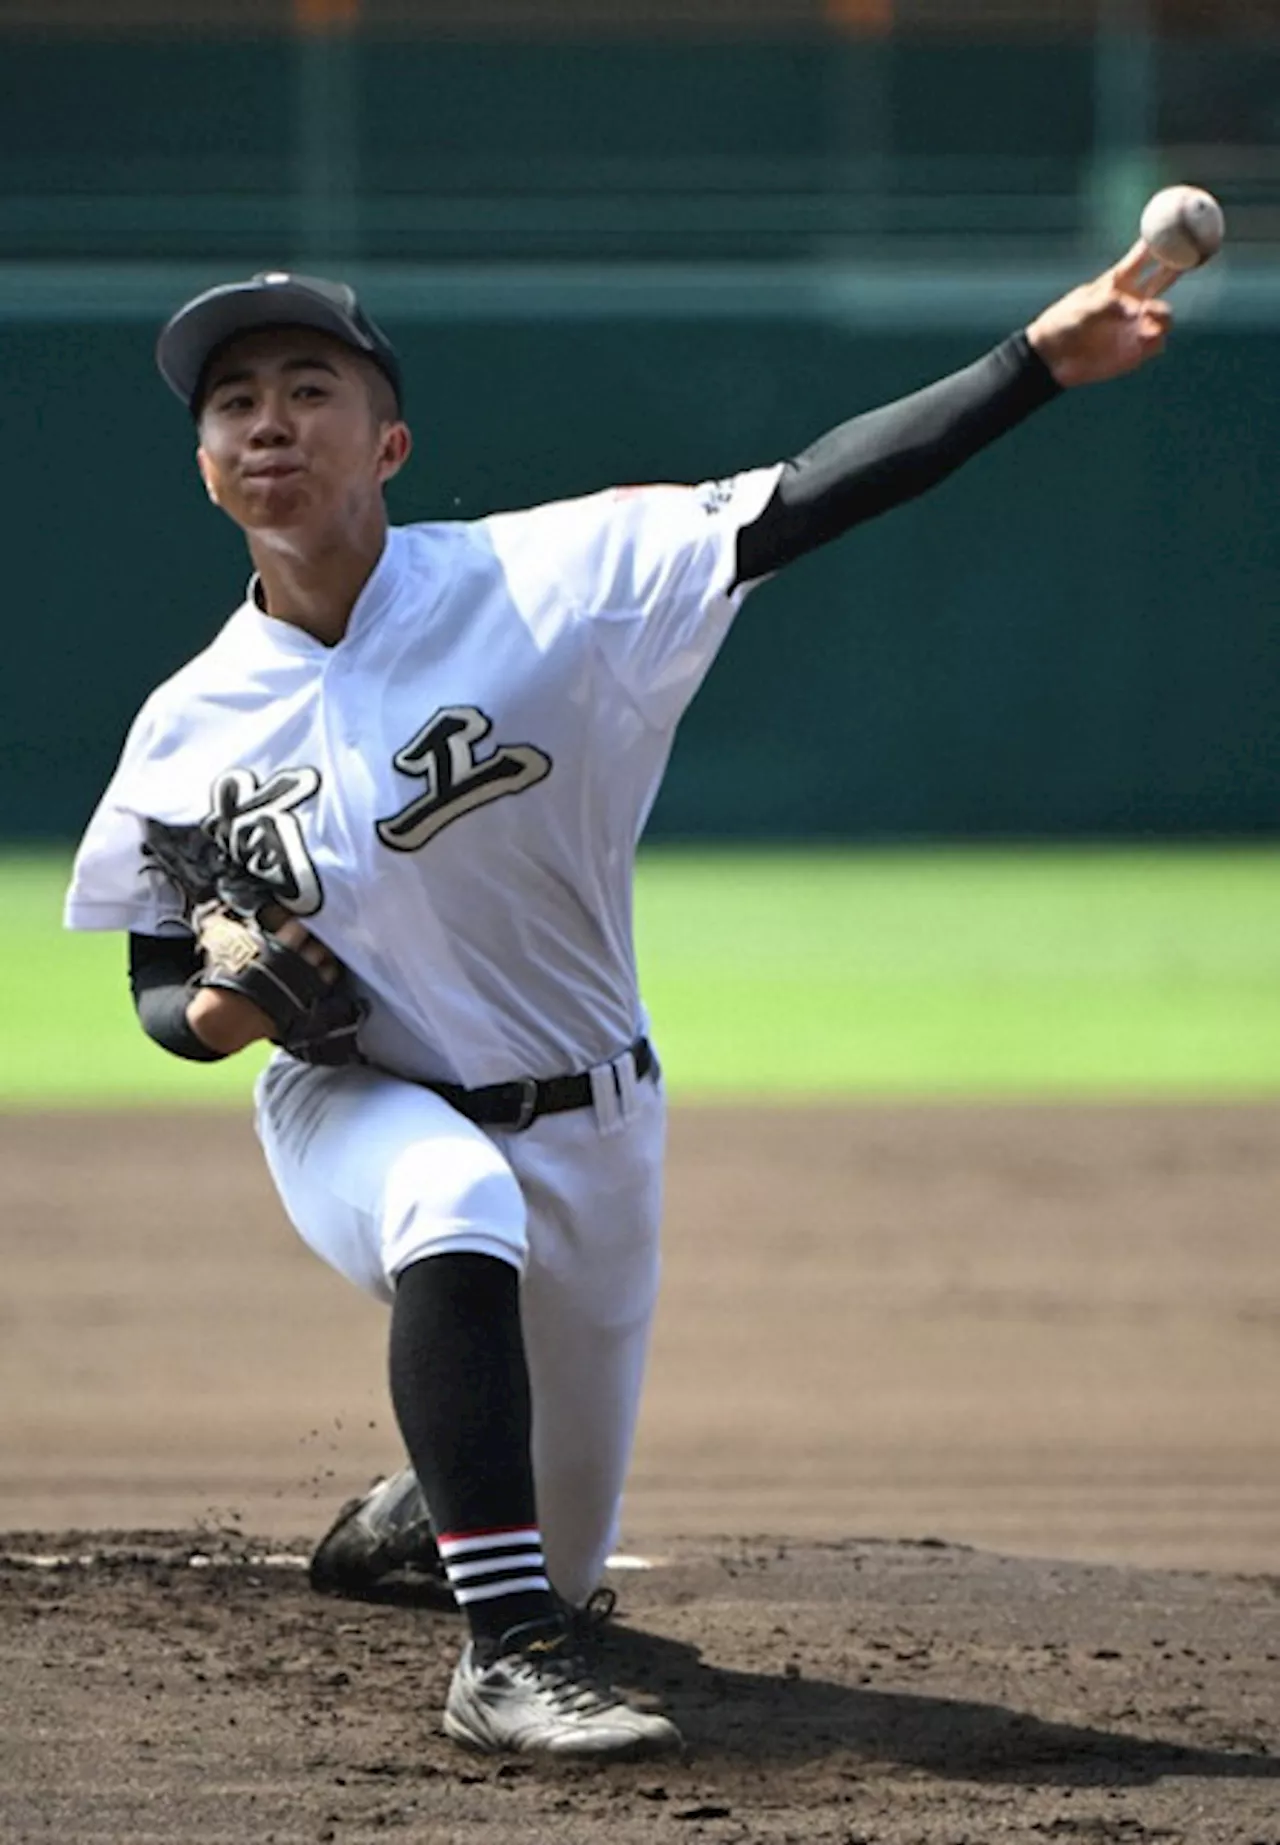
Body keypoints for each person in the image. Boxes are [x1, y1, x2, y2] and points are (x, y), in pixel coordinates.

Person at [64, 256, 1172, 1759]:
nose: (269, 422)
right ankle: (504, 1659)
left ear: (387, 446)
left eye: (309, 390)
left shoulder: (554, 585)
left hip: (594, 1113)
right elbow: (154, 976)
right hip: (353, 1102)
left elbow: (810, 496)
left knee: (572, 1546)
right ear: (206, 473)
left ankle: (429, 1514)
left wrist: (1033, 361)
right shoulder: (188, 726)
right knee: (452, 1202)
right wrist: (224, 1015)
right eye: (234, 403)